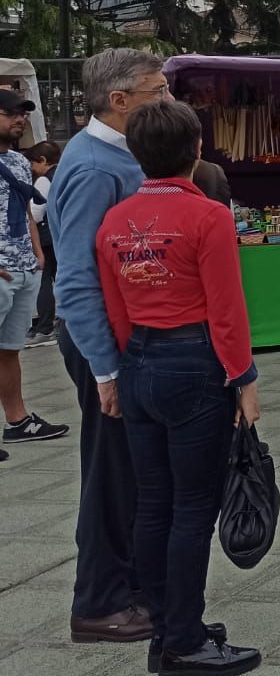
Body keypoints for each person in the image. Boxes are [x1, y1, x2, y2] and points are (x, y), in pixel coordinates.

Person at [94, 100, 262, 676]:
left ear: (135, 153)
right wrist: (243, 378)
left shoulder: (115, 220)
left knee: (155, 504)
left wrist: (116, 374)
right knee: (194, 507)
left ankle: (168, 628)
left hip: (138, 358)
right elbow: (226, 310)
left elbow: (115, 308)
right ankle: (185, 644)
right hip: (195, 364)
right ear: (196, 149)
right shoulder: (208, 215)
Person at [50, 47, 169, 644]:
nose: (168, 100)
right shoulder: (98, 166)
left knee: (131, 469)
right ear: (118, 101)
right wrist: (105, 368)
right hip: (105, 342)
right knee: (111, 473)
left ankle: (130, 587)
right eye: (157, 92)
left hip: (117, 337)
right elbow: (74, 276)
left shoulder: (109, 154)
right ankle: (98, 601)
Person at [1, 92, 68, 450]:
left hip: (24, 266)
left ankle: (18, 421)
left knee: (9, 350)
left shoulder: (17, 162)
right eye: (10, 113)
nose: (20, 119)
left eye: (23, 113)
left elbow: (25, 209)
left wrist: (38, 252)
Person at [22, 140, 61, 348]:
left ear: (43, 161)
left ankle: (45, 327)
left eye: (32, 164)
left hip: (45, 238)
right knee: (60, 278)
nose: (31, 169)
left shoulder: (45, 181)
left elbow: (36, 212)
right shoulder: (64, 174)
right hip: (59, 236)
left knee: (44, 280)